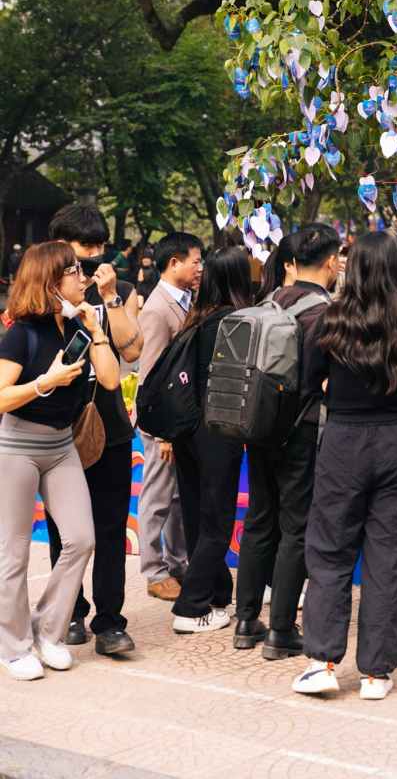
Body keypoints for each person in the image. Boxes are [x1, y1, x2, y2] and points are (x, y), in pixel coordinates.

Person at [292, 232, 397, 700]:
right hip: (395, 439)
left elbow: (308, 384)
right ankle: (376, 671)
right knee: (385, 559)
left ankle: (323, 661)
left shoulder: (328, 320)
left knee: (330, 551)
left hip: (344, 442)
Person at [0, 242, 119, 680]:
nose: (83, 277)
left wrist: (95, 325)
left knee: (81, 539)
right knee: (13, 553)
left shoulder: (78, 327)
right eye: (73, 272)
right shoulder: (21, 334)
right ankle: (12, 646)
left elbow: (108, 379)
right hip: (16, 447)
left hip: (61, 444)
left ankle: (48, 631)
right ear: (51, 281)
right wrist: (44, 382)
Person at [234, 223, 339, 659]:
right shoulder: (327, 312)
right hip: (303, 430)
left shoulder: (269, 302)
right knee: (296, 528)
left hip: (259, 428)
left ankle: (245, 621)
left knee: (260, 518)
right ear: (331, 262)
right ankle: (281, 630)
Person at [46, 203, 142, 656]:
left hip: (111, 429)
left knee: (108, 527)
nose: (95, 256)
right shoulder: (43, 294)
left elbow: (133, 347)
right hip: (57, 430)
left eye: (101, 246)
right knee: (66, 531)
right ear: (61, 246)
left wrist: (111, 298)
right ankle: (69, 614)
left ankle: (109, 622)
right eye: (86, 247)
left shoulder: (118, 289)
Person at [171, 248, 252, 633]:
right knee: (217, 522)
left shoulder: (195, 319)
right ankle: (189, 608)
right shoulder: (236, 323)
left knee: (195, 515)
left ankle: (218, 595)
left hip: (187, 428)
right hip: (218, 428)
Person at [137, 232, 203, 600]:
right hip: (162, 423)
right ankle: (153, 569)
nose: (199, 267)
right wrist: (162, 433)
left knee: (178, 496)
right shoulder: (157, 309)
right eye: (194, 260)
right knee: (157, 496)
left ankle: (178, 562)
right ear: (173, 262)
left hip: (180, 422)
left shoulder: (185, 300)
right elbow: (151, 377)